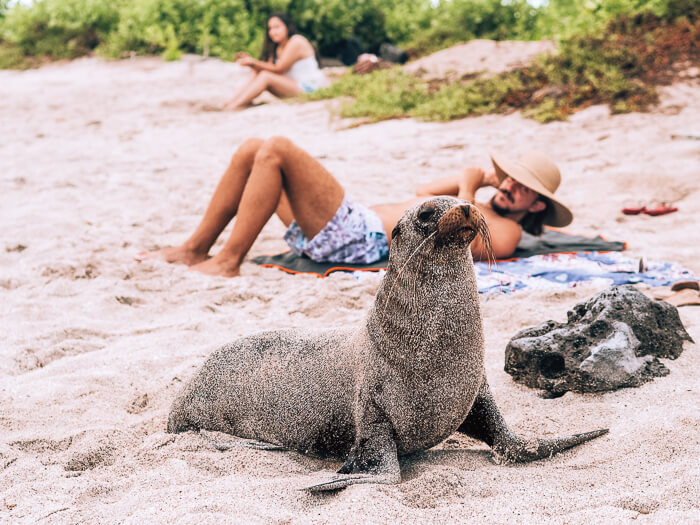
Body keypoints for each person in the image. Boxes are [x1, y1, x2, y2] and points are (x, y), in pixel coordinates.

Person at [136, 137, 573, 277]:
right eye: (511, 176)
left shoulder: (510, 233)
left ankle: (229, 260)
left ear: (537, 204)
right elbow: (424, 189)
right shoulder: (483, 197)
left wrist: (468, 186)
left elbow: (457, 238)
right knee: (254, 149)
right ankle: (196, 247)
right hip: (348, 229)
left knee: (277, 150)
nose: (512, 186)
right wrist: (485, 180)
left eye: (523, 187)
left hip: (361, 240)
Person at [221, 13, 325, 111]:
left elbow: (279, 69)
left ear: (287, 26)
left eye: (277, 27)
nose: (273, 32)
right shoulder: (277, 46)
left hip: (309, 88)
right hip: (293, 86)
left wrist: (253, 62)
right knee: (258, 73)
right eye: (270, 28)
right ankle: (232, 102)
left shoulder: (296, 41)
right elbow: (267, 67)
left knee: (266, 76)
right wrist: (251, 64)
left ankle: (235, 106)